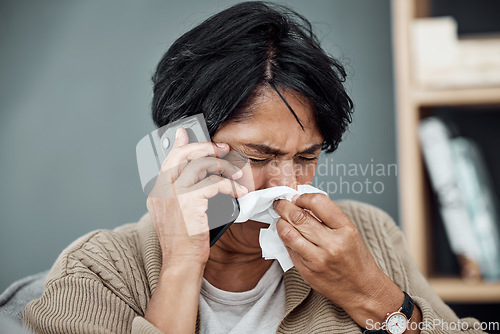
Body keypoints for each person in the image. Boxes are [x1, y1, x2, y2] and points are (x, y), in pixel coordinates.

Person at [22, 2, 484, 333]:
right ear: (183, 145)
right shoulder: (99, 271)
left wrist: (374, 297)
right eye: (259, 157)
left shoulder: (369, 234)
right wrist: (182, 264)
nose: (287, 184)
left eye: (307, 157)